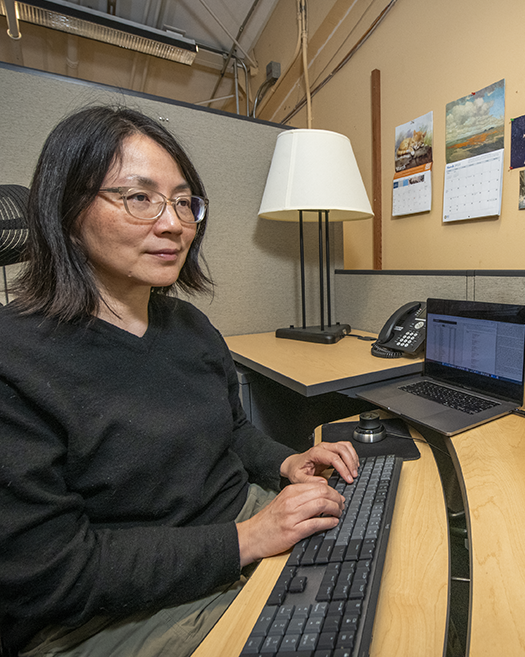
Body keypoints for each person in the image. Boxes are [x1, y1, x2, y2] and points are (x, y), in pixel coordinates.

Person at [0, 106, 360, 657]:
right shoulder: (16, 360)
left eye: (184, 201)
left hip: (234, 528)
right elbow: (53, 572)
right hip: (108, 610)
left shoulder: (188, 326)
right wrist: (247, 540)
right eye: (138, 197)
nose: (173, 223)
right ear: (68, 212)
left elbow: (230, 429)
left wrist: (283, 463)